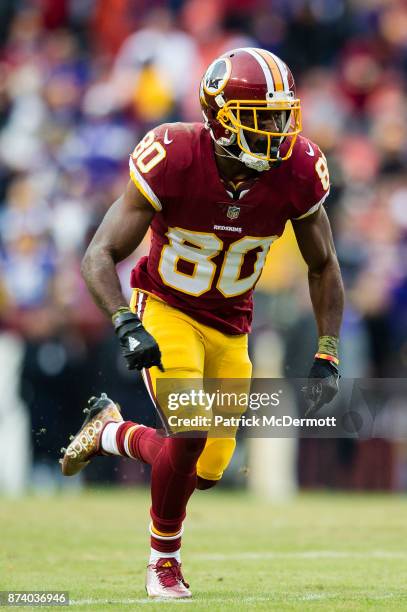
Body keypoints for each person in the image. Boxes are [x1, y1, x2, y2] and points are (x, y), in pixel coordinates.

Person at [60, 47, 344, 599]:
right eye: (264, 116)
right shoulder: (175, 153)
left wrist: (327, 348)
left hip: (231, 326)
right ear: (223, 118)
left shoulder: (298, 168)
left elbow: (324, 264)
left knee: (205, 471)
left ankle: (111, 431)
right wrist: (124, 321)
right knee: (188, 432)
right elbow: (99, 252)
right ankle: (163, 564)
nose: (279, 128)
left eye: (283, 114)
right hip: (166, 308)